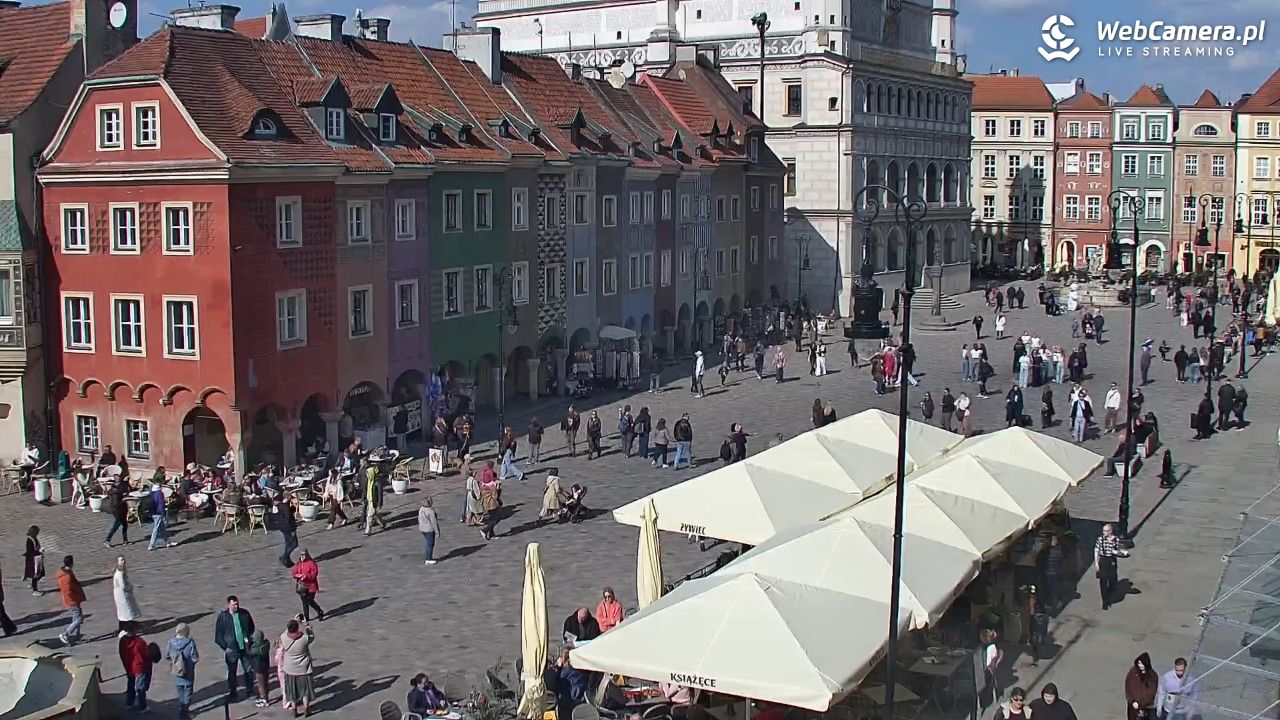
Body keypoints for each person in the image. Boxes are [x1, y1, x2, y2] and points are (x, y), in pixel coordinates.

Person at [214, 595, 257, 701]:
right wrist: (225, 647)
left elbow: (251, 627)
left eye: (237, 604)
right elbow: (218, 635)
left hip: (245, 647)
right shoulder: (223, 617)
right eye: (234, 604)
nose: (236, 606)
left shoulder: (244, 614)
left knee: (248, 669)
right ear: (228, 605)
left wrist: (248, 639)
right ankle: (233, 691)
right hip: (231, 649)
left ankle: (250, 690)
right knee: (232, 671)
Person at [280, 617, 316, 717]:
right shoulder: (304, 639)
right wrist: (306, 624)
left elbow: (285, 631)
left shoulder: (284, 637)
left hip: (290, 669)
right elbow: (311, 635)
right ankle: (306, 709)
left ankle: (294, 710)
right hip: (303, 669)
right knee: (305, 690)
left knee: (292, 690)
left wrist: (293, 620)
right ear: (297, 628)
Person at [165, 622, 200, 719]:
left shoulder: (171, 642)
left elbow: (167, 655)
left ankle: (182, 707)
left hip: (176, 672)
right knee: (188, 690)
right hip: (188, 671)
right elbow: (194, 657)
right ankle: (185, 710)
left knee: (180, 690)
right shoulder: (190, 643)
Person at [1095, 523, 1131, 610]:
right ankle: (1105, 601)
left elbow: (1117, 550)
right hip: (1103, 560)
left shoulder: (1115, 540)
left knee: (1112, 579)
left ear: (1110, 531)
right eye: (1103, 531)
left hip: (1111, 561)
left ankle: (1109, 592)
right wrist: (1096, 563)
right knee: (1103, 582)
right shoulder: (1100, 539)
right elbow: (1096, 550)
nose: (1104, 532)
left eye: (1106, 531)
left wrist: (1122, 552)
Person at [118, 621, 153, 711]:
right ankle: (142, 706)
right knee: (140, 688)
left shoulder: (122, 641)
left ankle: (129, 703)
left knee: (130, 685)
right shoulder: (139, 641)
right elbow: (146, 654)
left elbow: (121, 653)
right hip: (139, 667)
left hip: (129, 666)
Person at [56, 555, 85, 646]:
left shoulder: (65, 572)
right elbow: (68, 590)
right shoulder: (67, 576)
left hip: (74, 598)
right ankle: (65, 634)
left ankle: (77, 637)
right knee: (79, 619)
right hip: (72, 600)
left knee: (76, 618)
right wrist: (74, 598)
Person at [291, 550, 325, 621]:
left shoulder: (312, 563)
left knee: (309, 600)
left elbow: (314, 574)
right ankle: (306, 617)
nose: (302, 557)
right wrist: (297, 575)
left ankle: (319, 610)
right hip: (302, 586)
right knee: (304, 602)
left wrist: (306, 576)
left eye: (304, 555)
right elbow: (294, 572)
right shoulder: (299, 563)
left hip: (311, 586)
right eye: (301, 555)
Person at [554, 648, 587, 720]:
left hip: (571, 698)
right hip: (581, 696)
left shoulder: (566, 670)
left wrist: (558, 667)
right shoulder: (579, 667)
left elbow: (558, 682)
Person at [1126, 652, 1159, 720]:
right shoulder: (1133, 672)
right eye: (1139, 663)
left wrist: (1140, 704)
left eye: (1142, 664)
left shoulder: (1152, 676)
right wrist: (1132, 701)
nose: (1140, 665)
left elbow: (1151, 693)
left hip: (1145, 707)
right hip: (1133, 705)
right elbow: (1128, 686)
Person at [113, 556, 142, 632]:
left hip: (119, 594)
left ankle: (123, 627)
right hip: (123, 594)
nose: (123, 561)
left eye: (123, 559)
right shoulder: (120, 573)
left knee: (122, 611)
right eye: (121, 560)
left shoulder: (119, 571)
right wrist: (130, 587)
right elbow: (123, 585)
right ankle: (127, 628)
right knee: (127, 611)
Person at [245, 627, 272, 707]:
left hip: (259, 668)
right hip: (266, 666)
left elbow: (248, 653)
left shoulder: (255, 648)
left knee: (261, 684)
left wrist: (247, 644)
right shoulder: (266, 644)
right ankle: (266, 697)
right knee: (265, 683)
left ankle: (264, 700)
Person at [418, 498, 440, 565]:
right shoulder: (430, 511)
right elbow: (434, 522)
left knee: (428, 543)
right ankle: (428, 559)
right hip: (429, 529)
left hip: (422, 529)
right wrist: (437, 531)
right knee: (430, 544)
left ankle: (428, 557)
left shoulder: (421, 509)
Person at [24, 525, 44, 595]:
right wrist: (39, 551)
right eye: (37, 532)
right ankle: (34, 590)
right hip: (33, 561)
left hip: (37, 559)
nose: (38, 534)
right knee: (35, 575)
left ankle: (32, 584)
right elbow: (30, 551)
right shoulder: (29, 540)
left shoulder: (34, 538)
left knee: (41, 574)